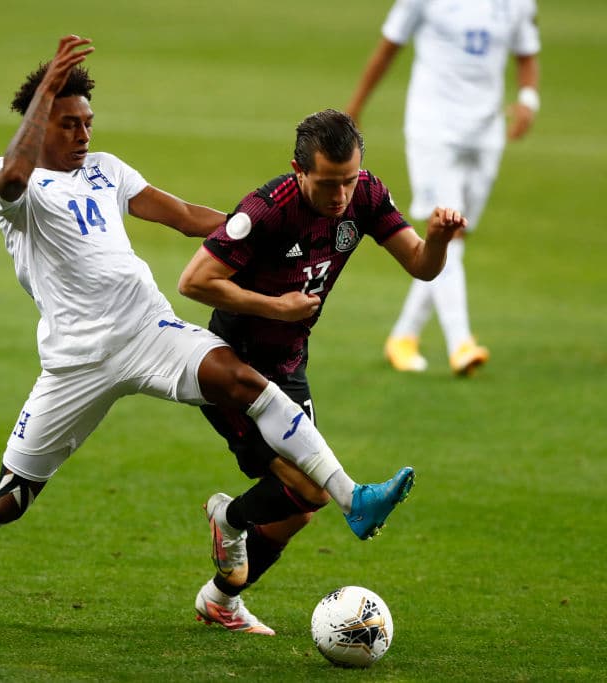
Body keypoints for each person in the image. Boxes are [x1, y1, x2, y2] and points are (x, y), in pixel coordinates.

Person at [0, 37, 417, 614]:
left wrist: (263, 230)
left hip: (148, 331)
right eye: (68, 124)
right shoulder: (11, 182)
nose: (83, 135)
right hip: (77, 359)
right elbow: (14, 176)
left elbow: (191, 218)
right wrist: (43, 93)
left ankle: (353, 497)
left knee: (244, 381)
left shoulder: (107, 170)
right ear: (39, 123)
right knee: (12, 498)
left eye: (87, 123)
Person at [177, 109, 466, 635]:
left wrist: (440, 239)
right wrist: (275, 307)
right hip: (233, 368)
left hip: (288, 366)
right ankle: (230, 520)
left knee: (297, 512)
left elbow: (422, 265)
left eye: (349, 180)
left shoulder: (368, 197)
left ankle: (221, 598)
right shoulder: (265, 211)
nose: (340, 196)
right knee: (312, 489)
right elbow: (194, 281)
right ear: (298, 170)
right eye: (328, 183)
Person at [345, 0, 541, 376]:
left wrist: (529, 100)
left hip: (487, 132)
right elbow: (389, 45)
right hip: (433, 127)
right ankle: (461, 343)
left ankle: (404, 335)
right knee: (448, 229)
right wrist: (354, 108)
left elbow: (526, 51)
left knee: (458, 236)